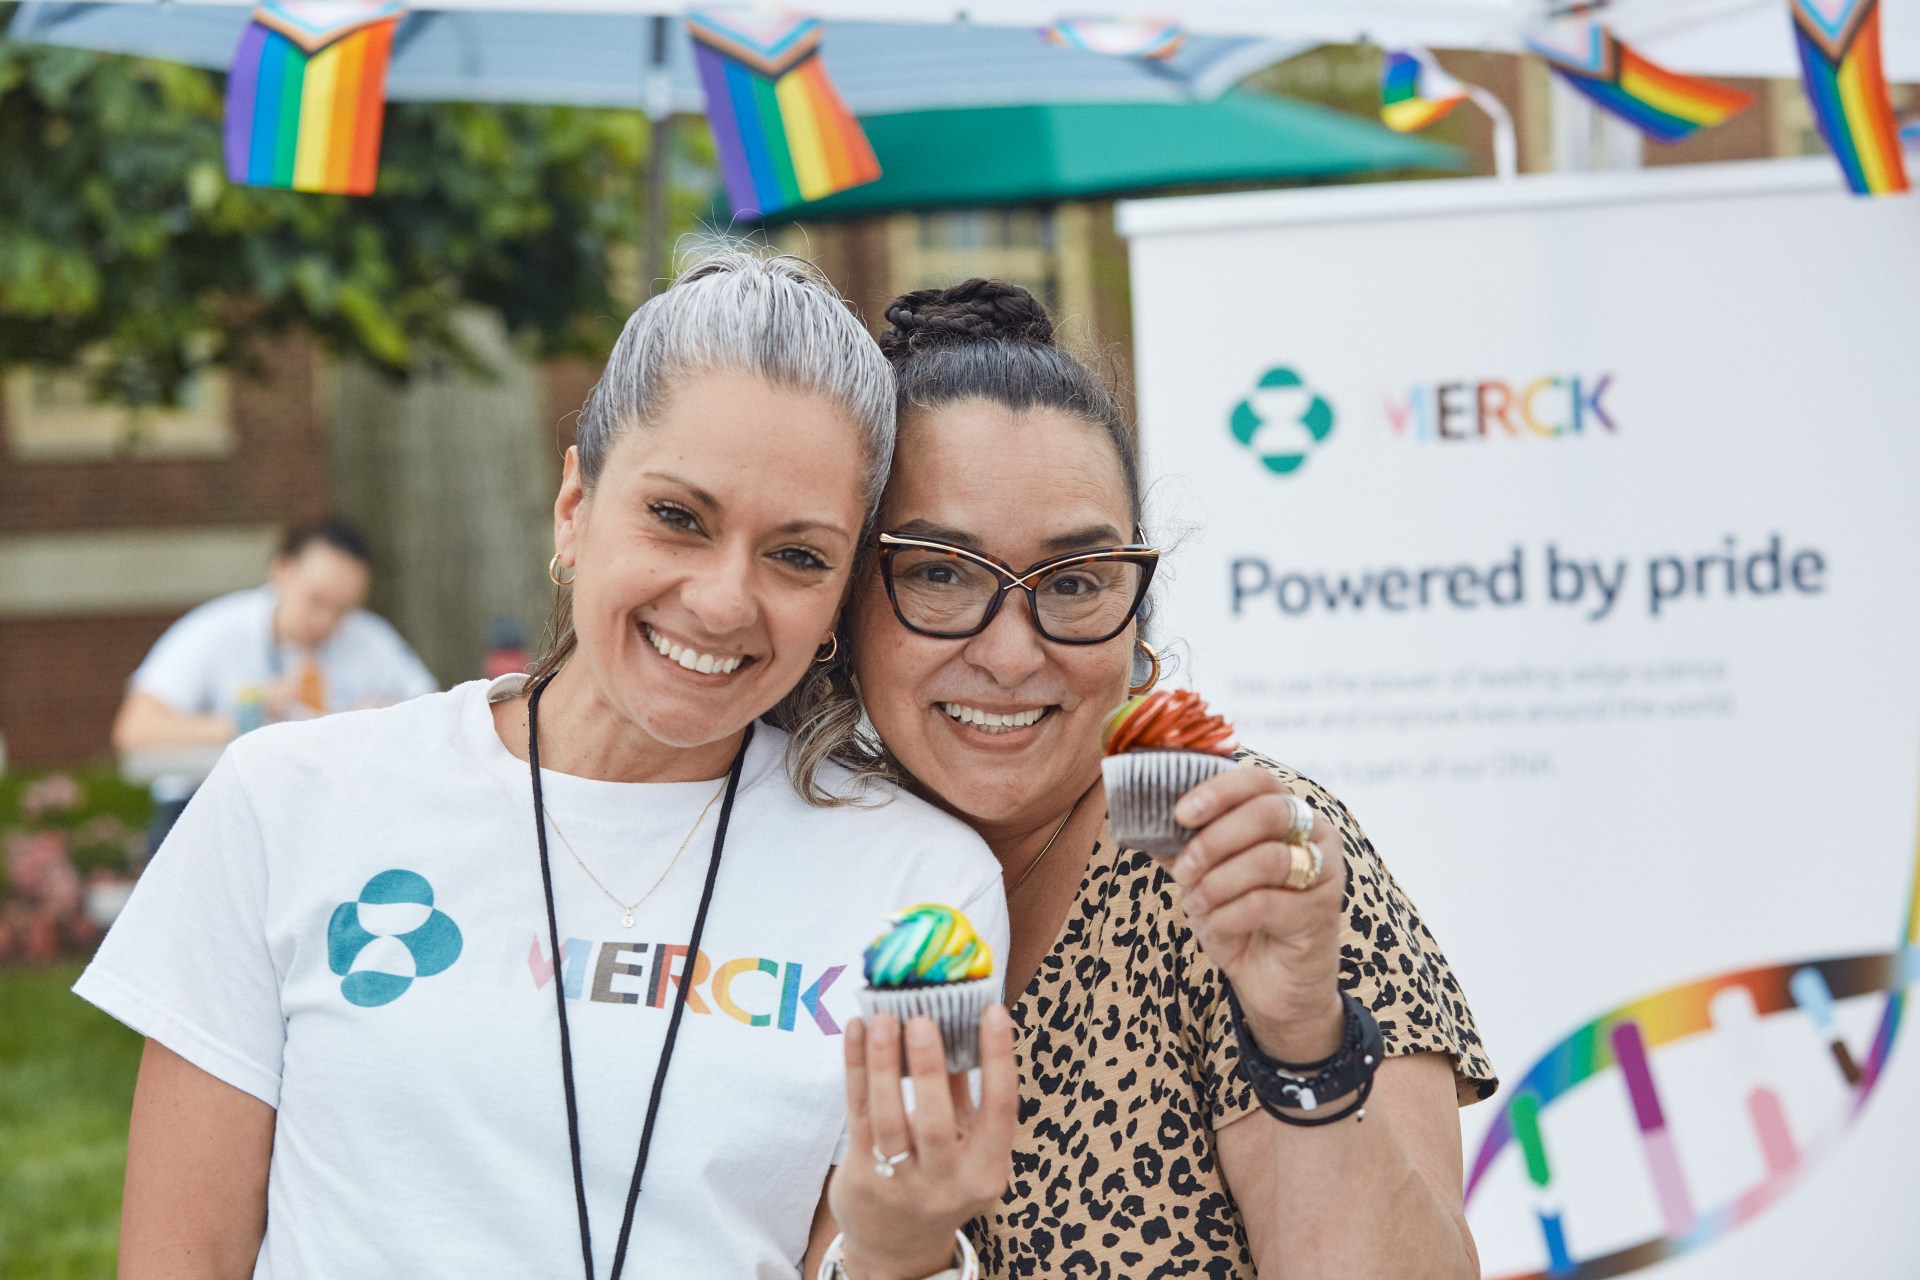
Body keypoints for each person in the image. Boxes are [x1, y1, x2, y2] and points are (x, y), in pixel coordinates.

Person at [75, 252, 1014, 1279]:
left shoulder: (919, 891)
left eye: (797, 554)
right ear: (575, 509)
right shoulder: (288, 800)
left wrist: (902, 1247)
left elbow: (881, 1238)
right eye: (677, 516)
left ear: (840, 593)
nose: (721, 598)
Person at [814, 280, 1499, 1278]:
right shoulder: (795, 865)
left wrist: (1303, 1030)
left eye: (1076, 581)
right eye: (940, 571)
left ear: (1136, 605)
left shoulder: (1236, 853)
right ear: (847, 593)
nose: (1011, 654)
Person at [111, 517, 437, 847]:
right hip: (207, 807)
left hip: (327, 811)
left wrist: (382, 716)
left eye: (342, 610)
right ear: (283, 570)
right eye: (317, 601)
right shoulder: (214, 630)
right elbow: (135, 730)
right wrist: (248, 718)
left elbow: (433, 712)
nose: (326, 622)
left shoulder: (369, 638)